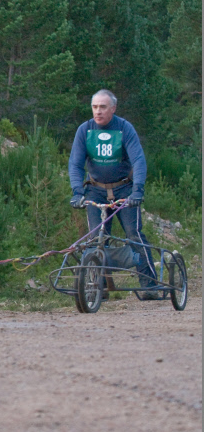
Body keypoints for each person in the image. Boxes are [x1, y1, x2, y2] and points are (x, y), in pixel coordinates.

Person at [68, 89, 159, 299]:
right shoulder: (85, 130)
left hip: (124, 189)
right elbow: (75, 163)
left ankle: (149, 285)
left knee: (133, 234)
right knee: (96, 239)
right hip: (95, 190)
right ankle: (97, 288)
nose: (98, 111)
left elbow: (138, 160)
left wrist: (138, 190)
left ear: (113, 108)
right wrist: (77, 192)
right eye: (94, 107)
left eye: (103, 107)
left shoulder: (124, 128)